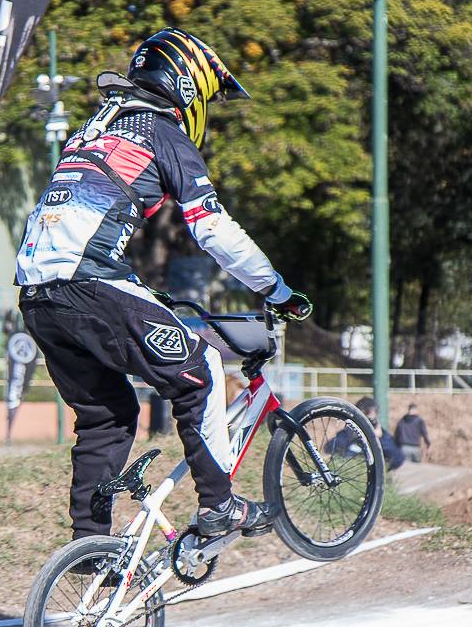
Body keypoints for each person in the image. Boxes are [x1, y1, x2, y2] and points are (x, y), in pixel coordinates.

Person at [16, 28, 312, 541]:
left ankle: (92, 551)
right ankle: (219, 505)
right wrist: (276, 289)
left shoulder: (93, 128)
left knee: (107, 416)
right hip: (88, 281)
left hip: (38, 294)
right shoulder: (160, 131)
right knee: (203, 371)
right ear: (188, 86)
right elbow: (211, 227)